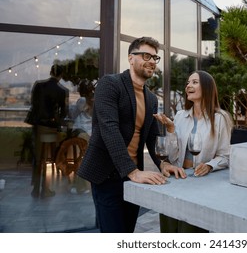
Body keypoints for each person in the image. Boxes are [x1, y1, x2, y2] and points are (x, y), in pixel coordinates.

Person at [77, 36, 186, 233]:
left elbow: (152, 137)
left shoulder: (151, 98)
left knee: (128, 231)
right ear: (130, 58)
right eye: (146, 55)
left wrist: (164, 162)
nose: (152, 61)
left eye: (155, 57)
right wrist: (133, 172)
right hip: (108, 174)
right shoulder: (109, 84)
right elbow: (109, 128)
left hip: (133, 176)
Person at [154, 70, 233, 233]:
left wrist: (210, 165)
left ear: (207, 88)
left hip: (200, 186)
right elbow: (173, 155)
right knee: (168, 230)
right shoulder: (181, 116)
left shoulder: (220, 118)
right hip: (176, 181)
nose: (188, 85)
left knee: (189, 231)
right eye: (188, 83)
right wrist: (170, 129)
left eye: (194, 82)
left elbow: (226, 156)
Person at [28, 64, 69, 198]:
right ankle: (47, 188)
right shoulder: (62, 91)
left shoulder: (38, 85)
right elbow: (63, 113)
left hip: (37, 125)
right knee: (53, 156)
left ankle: (35, 188)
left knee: (38, 158)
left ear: (50, 72)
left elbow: (33, 104)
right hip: (50, 128)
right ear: (61, 75)